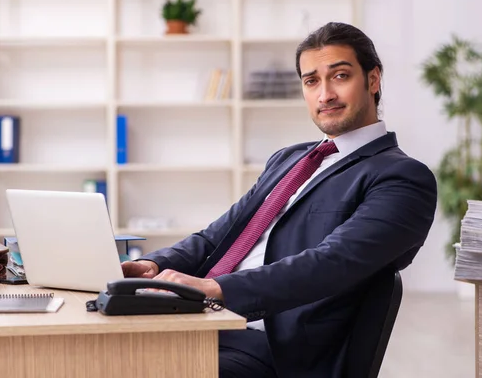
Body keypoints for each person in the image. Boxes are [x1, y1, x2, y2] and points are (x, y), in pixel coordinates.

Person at [121, 22, 438, 378]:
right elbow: (217, 235)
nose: (325, 95)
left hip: (273, 349)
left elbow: (330, 263)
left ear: (373, 79)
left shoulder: (403, 177)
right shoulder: (289, 159)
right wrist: (153, 266)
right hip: (204, 322)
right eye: (311, 81)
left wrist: (217, 289)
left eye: (340, 76)